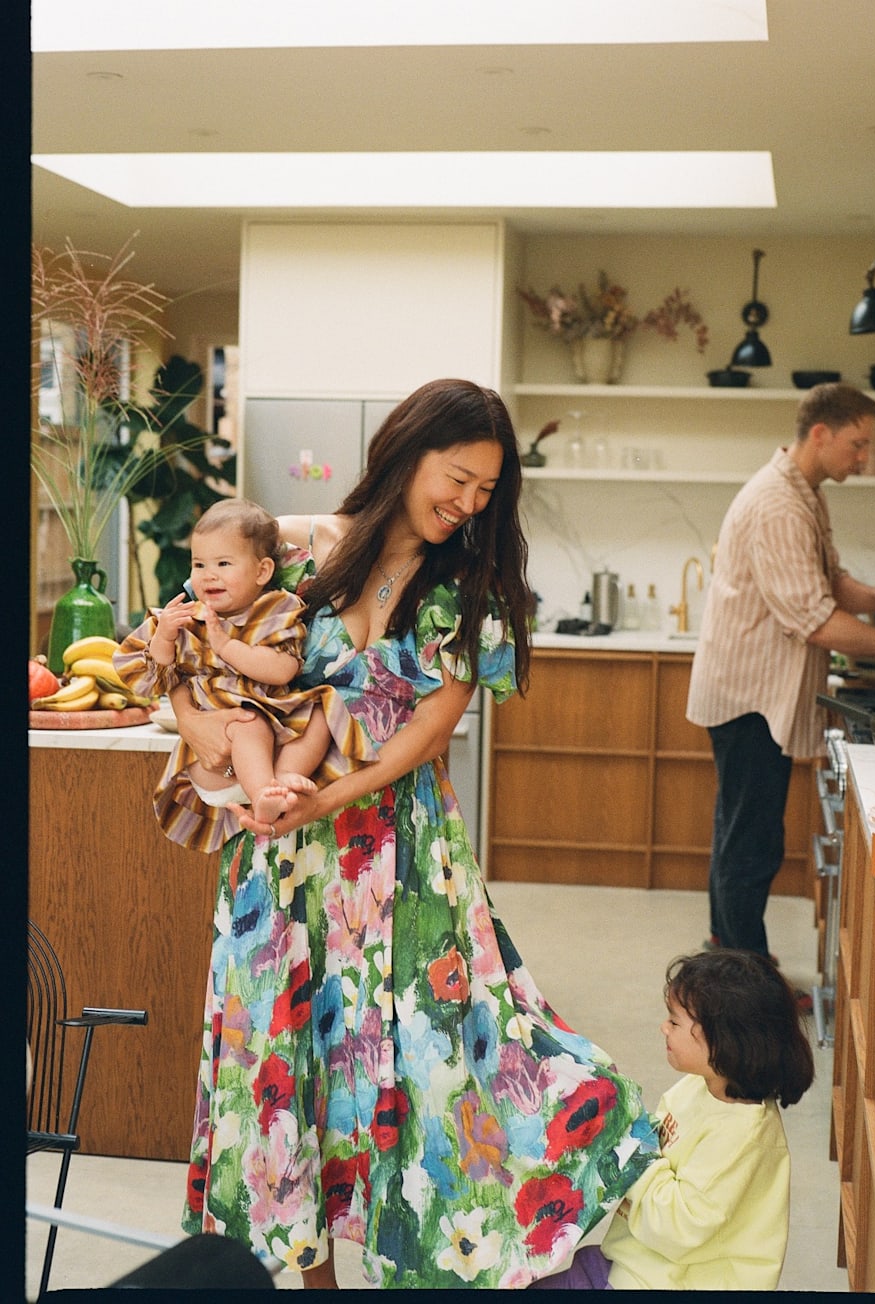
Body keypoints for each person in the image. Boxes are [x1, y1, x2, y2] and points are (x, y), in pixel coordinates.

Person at [171, 379, 659, 1289]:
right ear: (410, 449)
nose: (468, 504)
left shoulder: (472, 588)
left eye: (486, 491)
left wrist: (332, 795)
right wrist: (206, 727)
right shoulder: (311, 546)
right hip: (282, 846)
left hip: (398, 845)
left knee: (442, 1055)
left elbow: (428, 734)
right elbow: (203, 634)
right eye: (459, 478)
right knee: (288, 1061)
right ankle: (311, 1280)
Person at [687, 383, 875, 964]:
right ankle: (746, 981)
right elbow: (815, 620)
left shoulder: (804, 491)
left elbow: (828, 581)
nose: (864, 458)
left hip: (756, 693)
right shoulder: (778, 504)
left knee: (741, 834)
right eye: (857, 445)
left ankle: (726, 958)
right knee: (752, 844)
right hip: (750, 696)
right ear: (820, 434)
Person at [530, 948, 815, 1290]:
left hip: (672, 1281)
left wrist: (632, 1146)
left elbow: (677, 1227)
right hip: (636, 1262)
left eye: (675, 1021)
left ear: (725, 1041)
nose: (664, 1028)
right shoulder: (700, 1086)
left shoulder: (742, 1135)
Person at [115, 498, 373, 852]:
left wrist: (226, 645)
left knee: (323, 710)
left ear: (262, 571)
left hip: (276, 730)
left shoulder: (277, 610)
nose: (208, 575)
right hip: (219, 746)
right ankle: (264, 793)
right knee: (248, 723)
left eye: (223, 563)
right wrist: (163, 639)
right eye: (199, 564)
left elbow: (284, 668)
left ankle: (283, 782)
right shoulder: (185, 618)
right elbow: (145, 681)